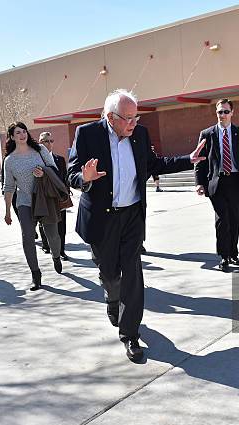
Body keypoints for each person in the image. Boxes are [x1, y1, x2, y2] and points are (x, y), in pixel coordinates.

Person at [68, 89, 205, 362]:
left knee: (132, 274)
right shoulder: (87, 134)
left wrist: (186, 160)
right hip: (101, 218)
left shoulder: (139, 135)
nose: (133, 123)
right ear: (110, 117)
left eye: (136, 116)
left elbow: (154, 164)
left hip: (131, 216)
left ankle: (129, 333)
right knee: (109, 272)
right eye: (128, 118)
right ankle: (111, 296)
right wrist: (85, 178)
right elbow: (71, 174)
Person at [195, 98, 239, 272]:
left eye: (226, 111)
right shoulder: (207, 134)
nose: (222, 115)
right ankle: (223, 256)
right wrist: (199, 183)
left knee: (234, 219)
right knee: (222, 219)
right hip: (216, 183)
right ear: (216, 113)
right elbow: (200, 162)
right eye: (219, 112)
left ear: (232, 113)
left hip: (236, 182)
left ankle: (233, 252)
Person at [3, 122, 64, 291]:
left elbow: (54, 168)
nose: (22, 135)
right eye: (18, 132)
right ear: (12, 137)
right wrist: (7, 211)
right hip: (24, 202)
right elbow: (8, 187)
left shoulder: (40, 150)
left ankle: (56, 256)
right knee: (27, 238)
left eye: (24, 131)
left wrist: (44, 172)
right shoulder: (9, 161)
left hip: (45, 199)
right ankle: (36, 275)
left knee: (53, 236)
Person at [37, 131, 70, 260]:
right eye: (46, 141)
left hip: (59, 197)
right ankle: (47, 245)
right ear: (40, 142)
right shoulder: (36, 159)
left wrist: (65, 193)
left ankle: (61, 250)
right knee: (45, 223)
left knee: (61, 225)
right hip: (44, 198)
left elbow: (65, 178)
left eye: (51, 141)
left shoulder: (60, 159)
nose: (49, 144)